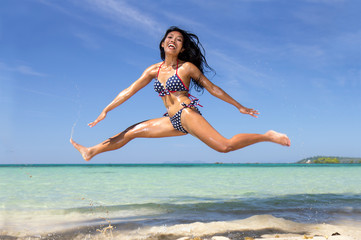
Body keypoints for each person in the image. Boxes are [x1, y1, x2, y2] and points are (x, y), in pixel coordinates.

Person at [70, 26, 290, 161]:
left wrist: (239, 106)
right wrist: (105, 110)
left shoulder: (186, 68)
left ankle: (267, 135)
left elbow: (212, 88)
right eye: (170, 38)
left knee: (225, 146)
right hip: (172, 120)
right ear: (163, 43)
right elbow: (129, 91)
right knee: (132, 131)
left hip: (186, 114)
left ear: (182, 48)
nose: (173, 41)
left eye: (178, 40)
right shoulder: (152, 70)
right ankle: (91, 151)